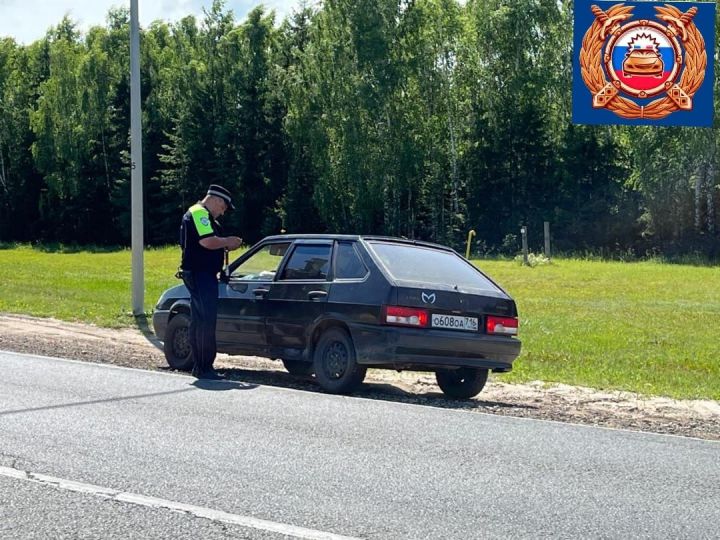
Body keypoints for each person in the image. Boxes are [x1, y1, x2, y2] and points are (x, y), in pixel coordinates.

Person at [178, 184, 242, 379]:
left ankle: (200, 365)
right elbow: (207, 241)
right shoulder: (199, 213)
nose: (222, 213)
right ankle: (205, 367)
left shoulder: (199, 213)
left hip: (199, 273)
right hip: (200, 274)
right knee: (206, 320)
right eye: (223, 207)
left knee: (199, 320)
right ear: (216, 200)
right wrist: (227, 241)